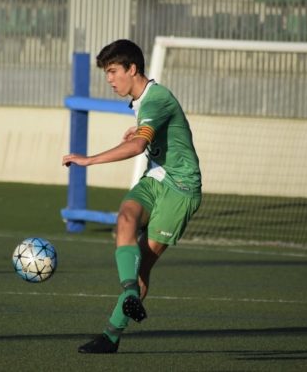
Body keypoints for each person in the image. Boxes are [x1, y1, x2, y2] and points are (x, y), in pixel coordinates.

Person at [62, 39, 202, 353]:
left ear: (132, 69)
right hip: (156, 177)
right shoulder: (142, 99)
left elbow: (139, 147)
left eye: (113, 71)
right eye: (106, 73)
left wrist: (89, 159)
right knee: (125, 217)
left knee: (143, 266)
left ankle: (110, 336)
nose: (109, 79)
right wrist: (138, 129)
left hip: (181, 189)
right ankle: (129, 294)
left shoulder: (156, 99)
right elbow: (148, 135)